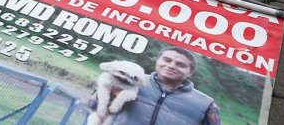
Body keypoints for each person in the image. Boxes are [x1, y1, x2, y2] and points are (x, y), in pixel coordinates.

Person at [91, 46, 219, 125]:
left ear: (190, 72)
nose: (171, 66)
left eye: (180, 64)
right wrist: (110, 96)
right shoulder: (132, 79)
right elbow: (92, 105)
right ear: (157, 61)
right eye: (167, 60)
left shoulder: (205, 104)